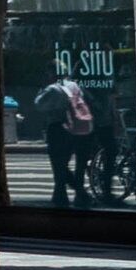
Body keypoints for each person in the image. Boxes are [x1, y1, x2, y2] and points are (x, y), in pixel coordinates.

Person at [31, 53, 96, 203]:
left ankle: (72, 193)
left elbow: (38, 105)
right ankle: (65, 194)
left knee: (59, 163)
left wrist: (42, 89)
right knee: (66, 163)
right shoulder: (73, 85)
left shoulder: (52, 89)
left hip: (58, 127)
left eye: (48, 72)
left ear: (52, 72)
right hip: (77, 128)